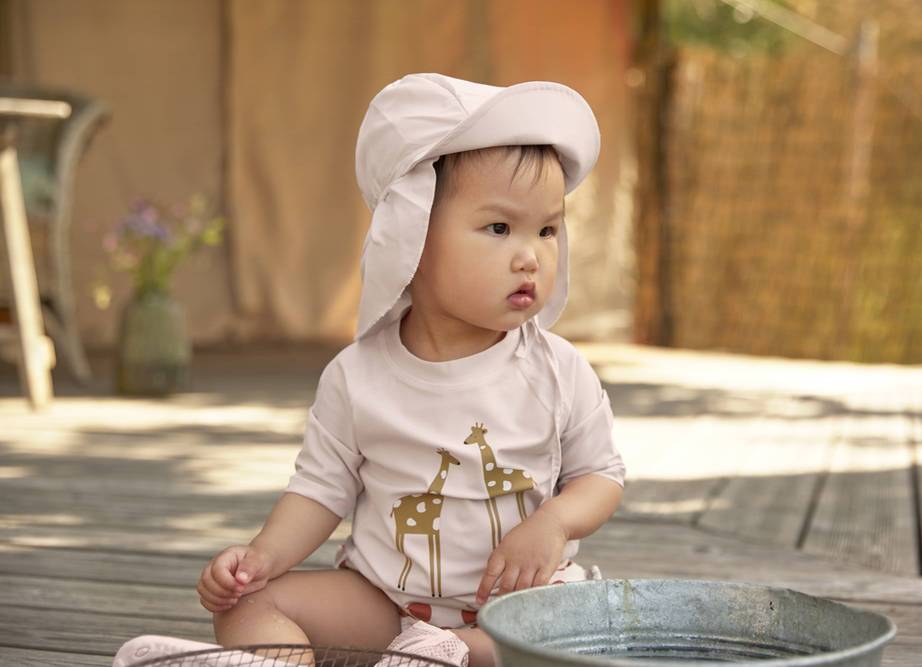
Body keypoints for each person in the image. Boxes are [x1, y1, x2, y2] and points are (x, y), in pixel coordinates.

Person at [196, 73, 625, 667]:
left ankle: (445, 655)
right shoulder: (357, 376)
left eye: (547, 229)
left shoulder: (556, 369)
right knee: (245, 607)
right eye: (499, 228)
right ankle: (296, 661)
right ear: (411, 235)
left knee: (570, 633)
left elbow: (601, 474)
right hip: (385, 602)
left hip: (521, 605)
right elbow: (321, 489)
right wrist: (262, 558)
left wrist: (553, 523)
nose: (532, 255)